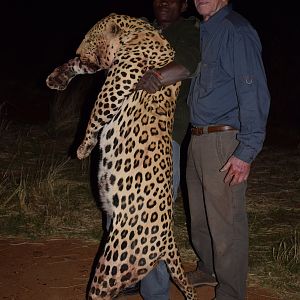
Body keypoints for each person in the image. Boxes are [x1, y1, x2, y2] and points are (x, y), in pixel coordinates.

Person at [185, 0, 270, 299]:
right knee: (199, 216)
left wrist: (246, 150)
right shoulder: (205, 30)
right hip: (197, 137)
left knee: (227, 223)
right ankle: (208, 269)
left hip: (223, 139)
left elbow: (253, 90)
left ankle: (231, 292)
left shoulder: (236, 31)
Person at [123, 0, 203, 299]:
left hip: (162, 135)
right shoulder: (142, 28)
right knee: (122, 211)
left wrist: (152, 77)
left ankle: (155, 292)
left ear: (184, 4)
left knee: (153, 216)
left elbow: (186, 65)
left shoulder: (189, 30)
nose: (164, 3)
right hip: (127, 132)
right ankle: (130, 275)